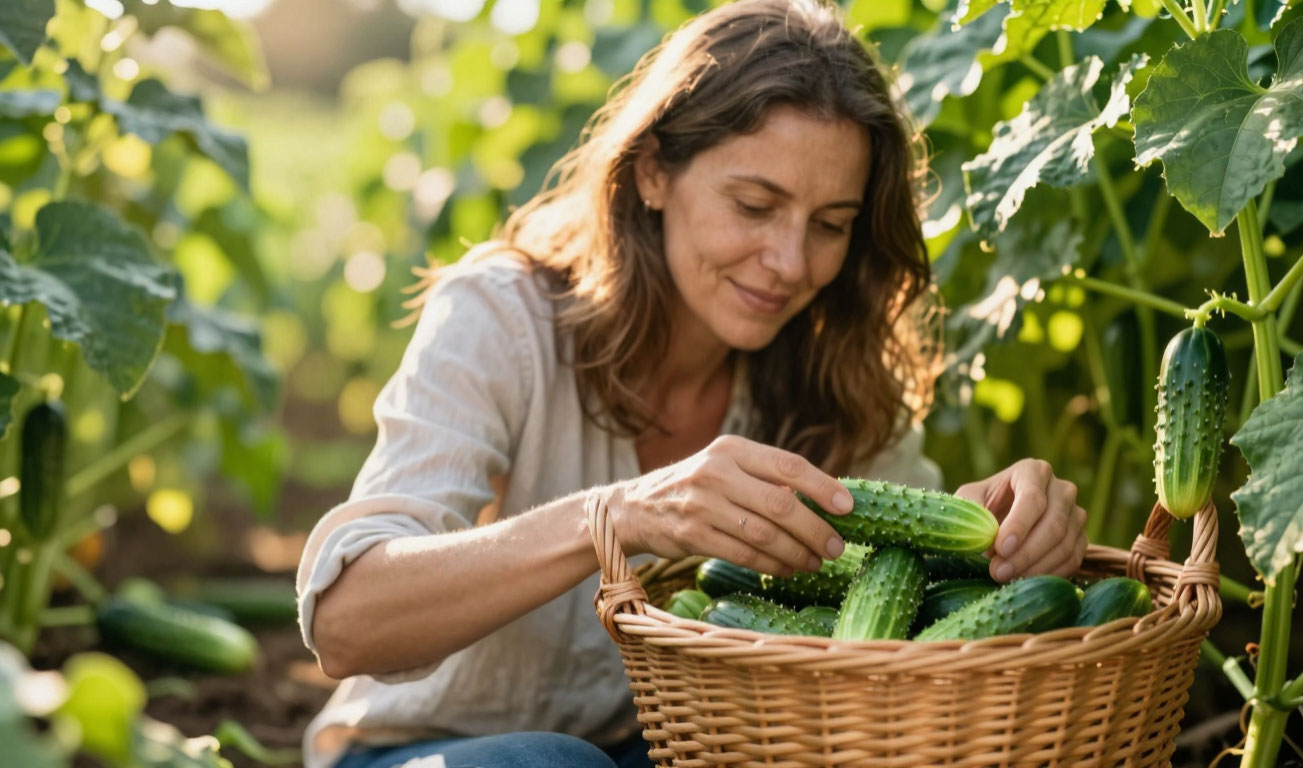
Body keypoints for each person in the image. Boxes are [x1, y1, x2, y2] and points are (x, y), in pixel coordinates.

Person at [297, 1, 1090, 766]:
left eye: (830, 225)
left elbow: (917, 596)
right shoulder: (501, 320)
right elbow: (346, 623)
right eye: (754, 205)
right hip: (414, 753)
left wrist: (1005, 536)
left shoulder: (832, 376)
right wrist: (619, 515)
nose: (788, 262)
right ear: (653, 174)